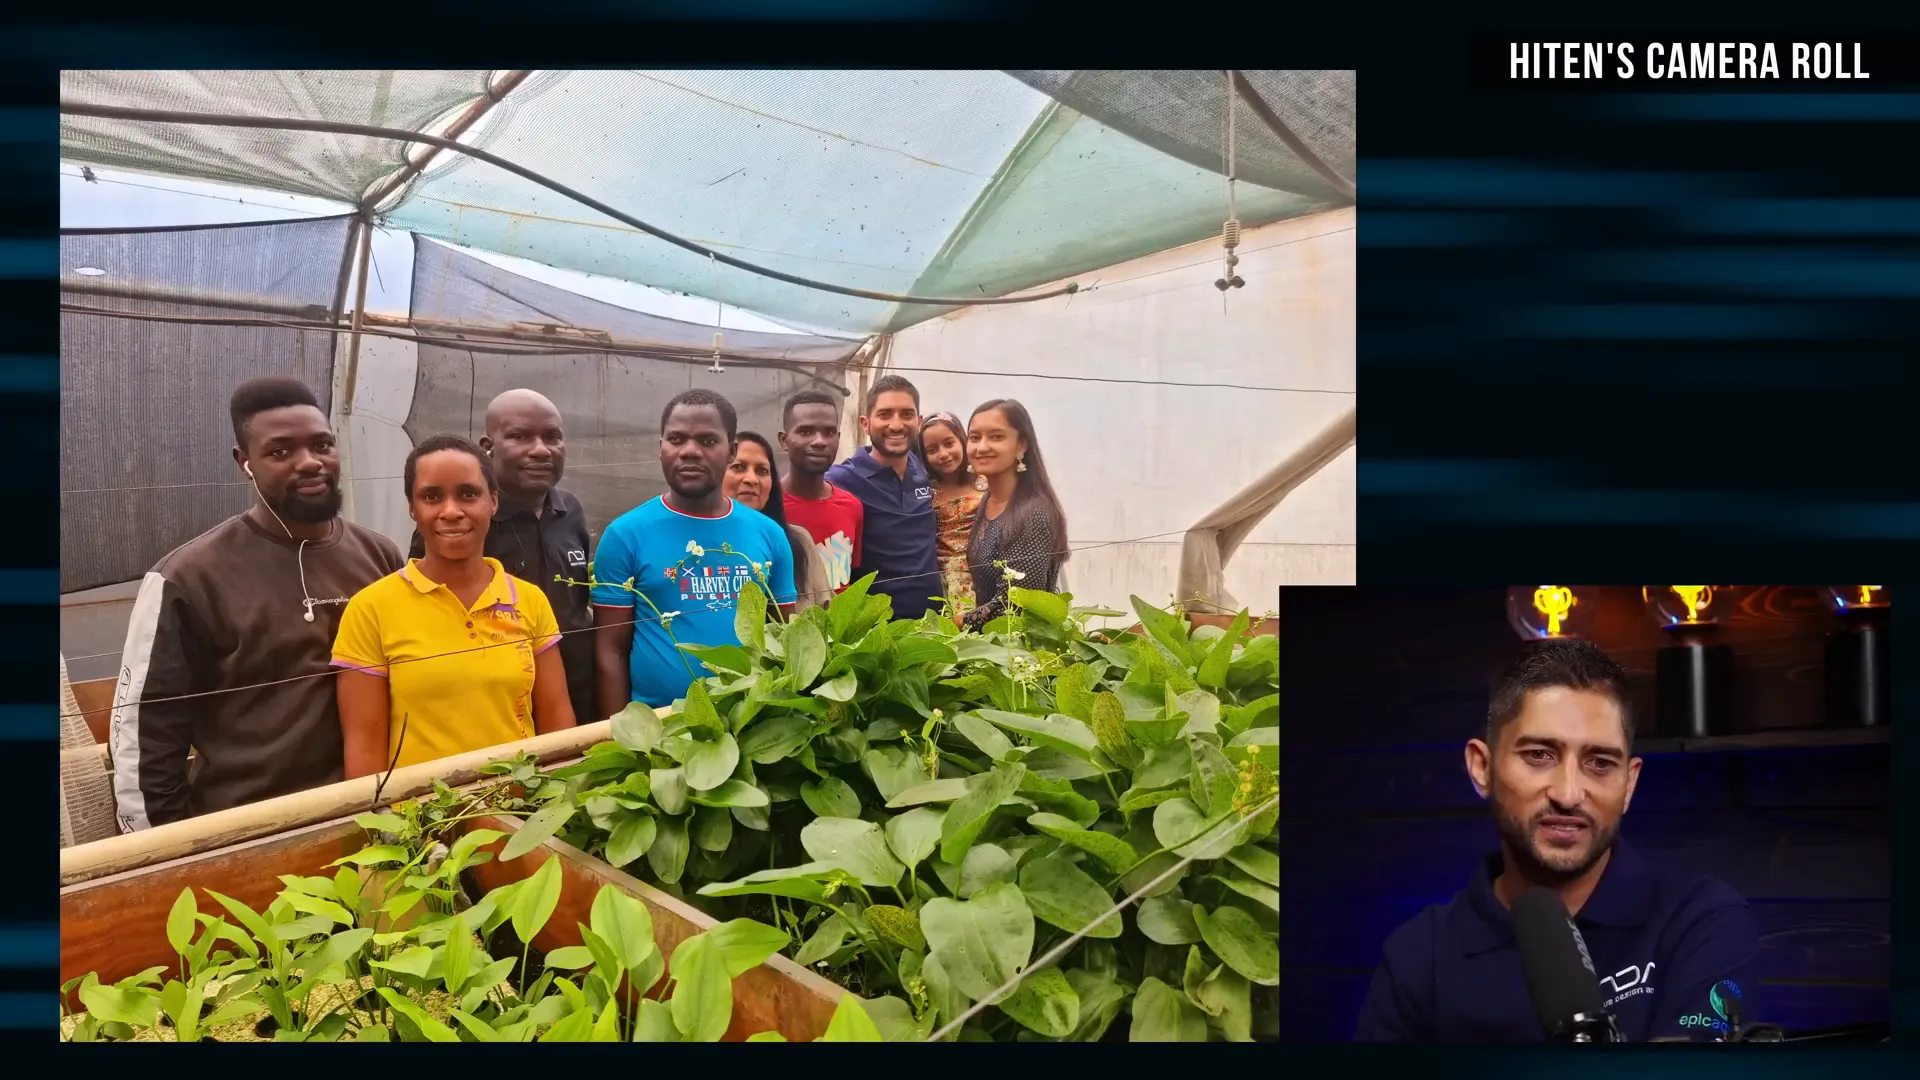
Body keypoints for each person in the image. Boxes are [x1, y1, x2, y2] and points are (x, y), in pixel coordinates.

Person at [1354, 639, 1761, 1043]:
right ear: (1482, 767)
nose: (1568, 794)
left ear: (1629, 784)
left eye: (1599, 763)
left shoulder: (1700, 921)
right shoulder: (1418, 956)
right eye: (1539, 755)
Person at [109, 376, 403, 829]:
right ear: (243, 462)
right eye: (281, 452)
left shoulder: (379, 556)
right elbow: (143, 733)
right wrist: (160, 854)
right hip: (248, 831)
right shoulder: (188, 577)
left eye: (322, 445)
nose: (310, 463)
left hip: (372, 818)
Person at [333, 436, 575, 777]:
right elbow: (363, 747)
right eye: (432, 497)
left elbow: (557, 723)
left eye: (468, 494)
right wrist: (382, 829)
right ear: (412, 508)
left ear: (492, 501)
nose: (451, 511)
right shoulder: (370, 609)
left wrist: (554, 811)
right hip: (423, 821)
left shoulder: (529, 600)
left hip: (520, 817)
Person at [591, 389, 797, 713]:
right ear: (660, 448)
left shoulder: (769, 534)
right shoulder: (624, 535)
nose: (689, 451)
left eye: (707, 441)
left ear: (730, 452)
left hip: (751, 721)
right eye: (676, 439)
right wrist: (622, 737)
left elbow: (787, 639)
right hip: (659, 731)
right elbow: (610, 651)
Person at [407, 389, 596, 724]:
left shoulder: (571, 511)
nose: (541, 450)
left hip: (578, 700)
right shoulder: (460, 527)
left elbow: (579, 604)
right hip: (497, 710)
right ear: (487, 446)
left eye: (553, 437)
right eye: (520, 436)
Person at [825, 375, 943, 621]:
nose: (897, 424)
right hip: (877, 632)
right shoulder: (841, 480)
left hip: (936, 623)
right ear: (866, 424)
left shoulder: (925, 469)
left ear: (919, 422)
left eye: (907, 414)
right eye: (885, 414)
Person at [961, 399, 1069, 631]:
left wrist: (961, 621)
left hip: (1019, 654)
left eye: (996, 437)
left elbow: (1015, 606)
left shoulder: (1032, 514)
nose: (981, 447)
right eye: (974, 437)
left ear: (1021, 445)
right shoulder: (988, 501)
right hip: (992, 648)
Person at [725, 430, 830, 611]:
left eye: (762, 471)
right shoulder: (699, 545)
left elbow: (826, 614)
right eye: (738, 467)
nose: (752, 479)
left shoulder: (798, 540)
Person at [778, 389, 863, 594]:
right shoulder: (766, 506)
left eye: (829, 432)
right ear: (784, 440)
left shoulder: (852, 507)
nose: (819, 441)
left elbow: (854, 578)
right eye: (806, 431)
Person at [918, 410, 986, 609]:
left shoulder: (986, 485)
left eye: (949, 443)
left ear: (962, 441)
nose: (943, 454)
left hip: (986, 571)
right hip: (945, 579)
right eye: (932, 450)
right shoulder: (927, 493)